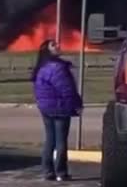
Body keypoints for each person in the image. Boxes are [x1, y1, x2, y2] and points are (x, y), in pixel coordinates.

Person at [31, 39, 83, 182]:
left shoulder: (41, 67)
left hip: (45, 108)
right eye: (53, 45)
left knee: (50, 140)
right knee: (61, 141)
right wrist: (77, 104)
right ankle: (61, 172)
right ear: (48, 50)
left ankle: (48, 172)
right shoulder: (58, 68)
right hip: (60, 107)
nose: (58, 46)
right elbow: (67, 89)